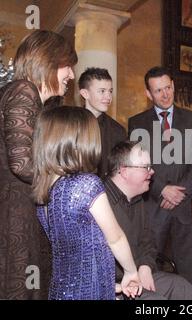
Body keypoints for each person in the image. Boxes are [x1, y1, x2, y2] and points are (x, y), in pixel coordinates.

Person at [32, 106, 142, 300]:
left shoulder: (44, 192)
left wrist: (112, 286)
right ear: (80, 142)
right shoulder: (85, 184)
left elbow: (75, 255)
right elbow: (115, 238)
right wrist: (131, 272)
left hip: (62, 291)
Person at [0, 30, 77, 299]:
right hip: (16, 219)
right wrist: (68, 182)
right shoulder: (24, 90)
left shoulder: (28, 96)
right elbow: (22, 163)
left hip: (21, 214)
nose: (71, 75)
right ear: (49, 61)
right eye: (68, 66)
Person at [128, 66, 192, 286]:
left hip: (184, 206)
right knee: (150, 268)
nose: (165, 94)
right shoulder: (136, 123)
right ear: (148, 94)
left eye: (168, 87)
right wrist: (162, 190)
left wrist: (180, 192)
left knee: (188, 269)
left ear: (173, 86)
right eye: (158, 90)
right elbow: (136, 165)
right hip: (152, 206)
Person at [105, 140, 192, 300]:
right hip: (113, 286)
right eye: (146, 167)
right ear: (124, 171)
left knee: (182, 289)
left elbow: (148, 242)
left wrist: (145, 266)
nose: (152, 172)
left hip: (138, 275)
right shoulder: (100, 202)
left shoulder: (136, 199)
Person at [78, 67, 127, 178]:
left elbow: (120, 171)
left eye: (110, 91)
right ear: (85, 93)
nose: (108, 96)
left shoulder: (118, 131)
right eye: (102, 91)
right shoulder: (69, 125)